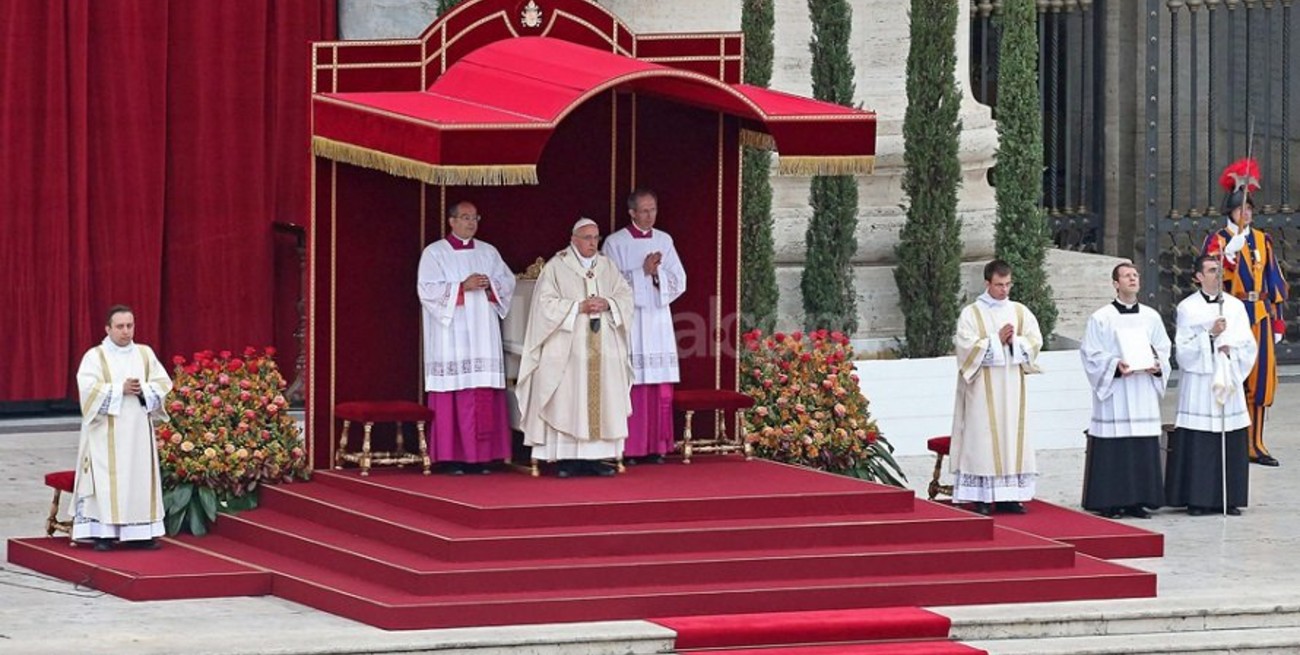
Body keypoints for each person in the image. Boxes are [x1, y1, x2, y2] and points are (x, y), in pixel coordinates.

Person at [516, 218, 635, 478]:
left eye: (596, 238)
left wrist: (609, 303)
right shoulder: (557, 266)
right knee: (568, 398)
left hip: (603, 345)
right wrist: (577, 307)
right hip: (567, 347)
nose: (593, 243)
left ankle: (595, 459)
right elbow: (544, 305)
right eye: (587, 238)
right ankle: (567, 460)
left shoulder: (607, 266)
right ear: (574, 239)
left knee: (602, 398)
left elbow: (625, 295)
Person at [417, 201, 517, 475]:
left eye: (475, 218)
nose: (471, 223)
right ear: (451, 221)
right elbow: (426, 290)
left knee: (482, 391)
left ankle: (483, 457)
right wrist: (462, 287)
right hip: (451, 336)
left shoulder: (488, 252)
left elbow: (508, 282)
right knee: (454, 392)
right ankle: (451, 458)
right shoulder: (435, 253)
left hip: (483, 333)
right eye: (465, 217)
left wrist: (491, 285)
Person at [1201, 158, 1289, 467]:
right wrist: (1227, 254)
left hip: (1260, 314)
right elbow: (1209, 275)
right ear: (1230, 211)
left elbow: (1274, 282)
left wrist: (1278, 321)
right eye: (1241, 209)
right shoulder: (1218, 240)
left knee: (1261, 381)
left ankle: (1255, 443)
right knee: (1230, 379)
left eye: (1249, 209)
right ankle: (1230, 442)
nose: (1246, 213)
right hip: (1232, 314)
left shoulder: (1263, 240)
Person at [73, 305, 173, 551]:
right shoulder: (95, 356)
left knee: (139, 480)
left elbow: (163, 384)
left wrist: (143, 390)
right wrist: (120, 389)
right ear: (108, 329)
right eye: (120, 326)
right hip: (105, 434)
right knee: (107, 482)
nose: (126, 331)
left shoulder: (144, 354)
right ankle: (104, 533)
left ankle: (140, 533)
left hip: (138, 432)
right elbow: (87, 390)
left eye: (130, 326)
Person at [950, 259, 1044, 515]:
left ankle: (1009, 496)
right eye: (999, 285)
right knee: (982, 440)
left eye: (1008, 284)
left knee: (1012, 437)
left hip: (1013, 388)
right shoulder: (972, 313)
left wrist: (1016, 343)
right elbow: (965, 348)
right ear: (987, 283)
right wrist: (995, 341)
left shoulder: (1020, 312)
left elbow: (1035, 342)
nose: (1004, 290)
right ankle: (981, 497)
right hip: (982, 390)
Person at [1166, 255, 1257, 516]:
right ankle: (1198, 499)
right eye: (1211, 270)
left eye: (1219, 271)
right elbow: (1183, 350)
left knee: (1229, 438)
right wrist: (1210, 335)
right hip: (1201, 383)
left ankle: (1229, 499)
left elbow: (1248, 344)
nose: (1217, 275)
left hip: (1226, 377)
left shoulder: (1235, 306)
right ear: (1198, 277)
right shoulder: (1187, 307)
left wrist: (1232, 350)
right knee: (1201, 441)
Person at [1079, 263, 1171, 519]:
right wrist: (1114, 366)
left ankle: (1138, 501)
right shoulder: (1101, 317)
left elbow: (1164, 348)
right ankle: (1111, 502)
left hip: (1142, 391)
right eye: (1127, 276)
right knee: (1116, 447)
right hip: (1117, 393)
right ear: (1115, 284)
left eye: (1135, 275)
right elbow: (1090, 354)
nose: (1133, 279)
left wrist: (1157, 365)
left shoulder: (1151, 316)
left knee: (1141, 445)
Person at [601, 188, 686, 464]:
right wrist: (642, 272)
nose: (650, 216)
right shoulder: (615, 243)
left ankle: (657, 446)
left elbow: (679, 280)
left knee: (658, 385)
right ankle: (631, 448)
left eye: (653, 210)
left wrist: (658, 273)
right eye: (645, 211)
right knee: (633, 383)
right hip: (631, 322)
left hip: (658, 321)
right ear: (632, 213)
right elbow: (607, 284)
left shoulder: (664, 240)